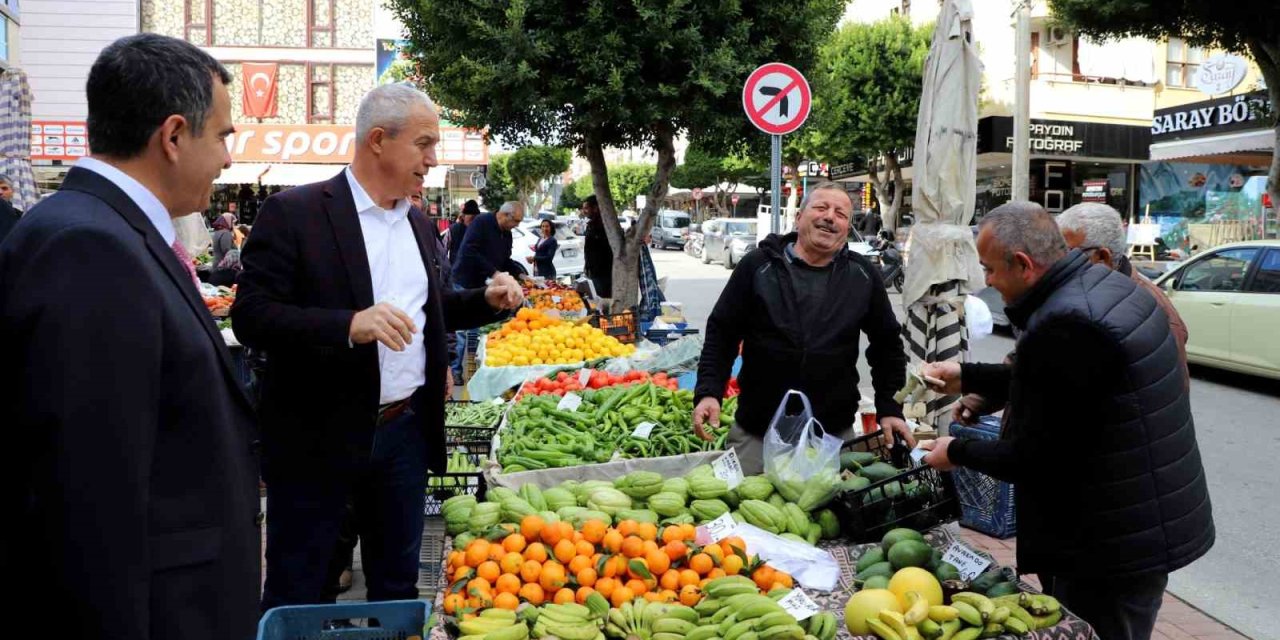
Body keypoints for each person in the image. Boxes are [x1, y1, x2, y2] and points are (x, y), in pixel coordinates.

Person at [0, 34, 258, 639]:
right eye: (222, 135)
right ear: (172, 136)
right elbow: (89, 502)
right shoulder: (88, 247)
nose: (228, 159)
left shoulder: (108, 229)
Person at [232, 82, 524, 611]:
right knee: (302, 589)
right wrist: (348, 325)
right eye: (424, 144)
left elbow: (429, 308)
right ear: (378, 141)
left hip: (402, 435)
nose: (433, 160)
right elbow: (252, 316)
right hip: (317, 438)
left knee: (396, 586)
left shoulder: (415, 220)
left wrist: (487, 300)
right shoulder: (294, 213)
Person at [919, 202, 1214, 640]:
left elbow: (1034, 455)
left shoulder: (1067, 320)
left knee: (1100, 629)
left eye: (990, 270)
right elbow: (1064, 381)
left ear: (1023, 264)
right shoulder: (1106, 287)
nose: (988, 282)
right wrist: (968, 377)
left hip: (1108, 541)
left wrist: (955, 451)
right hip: (1134, 522)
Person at [693, 181, 912, 475]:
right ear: (798, 217)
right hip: (757, 432)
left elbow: (887, 348)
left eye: (841, 214)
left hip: (831, 436)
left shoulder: (862, 275)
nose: (830, 217)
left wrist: (889, 407)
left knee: (827, 517)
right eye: (821, 207)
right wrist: (709, 391)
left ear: (847, 228)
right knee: (746, 509)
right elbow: (722, 333)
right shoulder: (758, 266)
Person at [954, 202, 1191, 425]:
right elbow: (1034, 367)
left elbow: (1159, 407)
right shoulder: (1075, 298)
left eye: (1065, 251)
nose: (1052, 259)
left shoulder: (1138, 309)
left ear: (1102, 257)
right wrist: (980, 397)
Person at [452, 200, 525, 288]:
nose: (517, 225)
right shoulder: (481, 222)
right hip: (465, 283)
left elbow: (505, 260)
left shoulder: (507, 234)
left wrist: (521, 275)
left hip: (486, 285)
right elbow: (469, 251)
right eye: (516, 221)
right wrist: (494, 272)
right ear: (505, 215)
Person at [582, 195, 613, 297]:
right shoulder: (591, 225)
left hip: (603, 273)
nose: (584, 211)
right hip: (593, 272)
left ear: (595, 208)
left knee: (602, 299)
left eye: (586, 208)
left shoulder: (604, 225)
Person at [448, 199, 480, 265]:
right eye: (471, 219)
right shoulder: (454, 230)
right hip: (457, 269)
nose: (473, 222)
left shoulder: (481, 230)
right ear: (463, 216)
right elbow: (443, 251)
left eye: (475, 219)